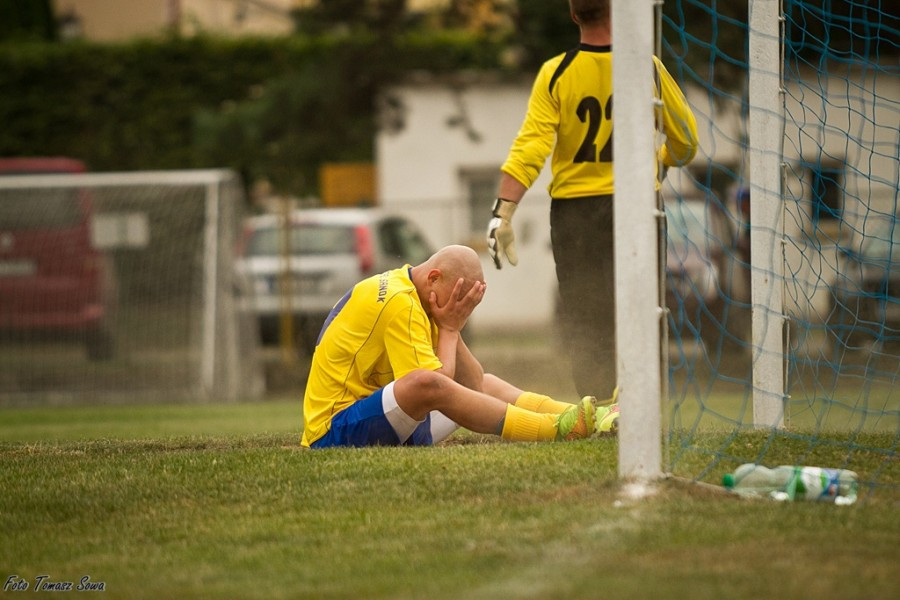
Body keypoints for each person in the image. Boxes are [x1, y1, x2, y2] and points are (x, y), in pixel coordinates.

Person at [487, 0, 698, 400]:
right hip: (637, 206)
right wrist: (661, 160)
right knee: (641, 311)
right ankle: (640, 410)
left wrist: (503, 213)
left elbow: (529, 151)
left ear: (572, 14)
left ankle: (598, 409)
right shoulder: (646, 67)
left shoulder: (557, 72)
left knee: (585, 319)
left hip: (576, 214)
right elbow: (686, 140)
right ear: (616, 12)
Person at [301, 245, 618, 448]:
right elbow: (431, 388)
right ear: (434, 277)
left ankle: (591, 417)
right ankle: (556, 430)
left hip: (377, 420)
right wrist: (450, 329)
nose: (458, 307)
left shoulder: (415, 292)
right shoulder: (400, 302)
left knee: (485, 384)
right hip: (334, 433)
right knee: (426, 383)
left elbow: (473, 383)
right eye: (457, 298)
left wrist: (450, 324)